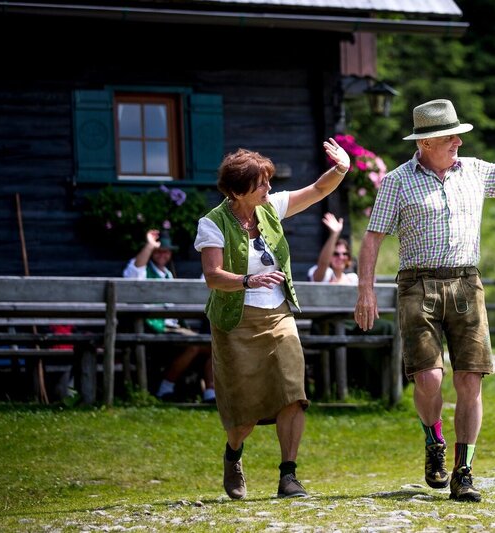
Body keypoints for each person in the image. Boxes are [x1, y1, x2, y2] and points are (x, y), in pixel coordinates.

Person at [353, 99, 495, 502]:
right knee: (428, 378)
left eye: (459, 134)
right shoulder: (398, 181)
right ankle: (434, 438)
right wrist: (366, 289)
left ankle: (464, 471)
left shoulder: (474, 171)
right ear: (425, 143)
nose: (459, 141)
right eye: (450, 136)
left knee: (470, 378)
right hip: (417, 285)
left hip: (465, 284)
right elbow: (372, 239)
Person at [195, 140, 350, 500]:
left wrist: (341, 167)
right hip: (235, 321)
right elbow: (213, 275)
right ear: (237, 191)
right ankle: (234, 453)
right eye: (261, 183)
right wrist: (248, 280)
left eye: (268, 180)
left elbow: (317, 190)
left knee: (293, 393)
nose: (268, 188)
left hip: (278, 314)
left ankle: (288, 475)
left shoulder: (270, 207)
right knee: (243, 411)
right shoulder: (213, 223)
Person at [123, 229, 214, 403]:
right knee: (194, 344)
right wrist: (150, 245)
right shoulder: (143, 269)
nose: (162, 254)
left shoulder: (167, 274)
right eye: (159, 251)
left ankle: (210, 392)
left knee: (213, 346)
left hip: (171, 326)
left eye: (166, 251)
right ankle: (165, 388)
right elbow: (134, 272)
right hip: (151, 325)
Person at [309, 212, 358, 284]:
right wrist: (334, 234)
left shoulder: (353, 279)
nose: (341, 257)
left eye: (345, 254)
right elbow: (323, 263)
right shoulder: (325, 275)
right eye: (336, 254)